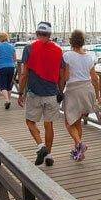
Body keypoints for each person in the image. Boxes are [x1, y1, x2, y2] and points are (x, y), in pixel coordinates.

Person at [18, 22, 63, 166]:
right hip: (52, 93)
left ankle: (40, 146)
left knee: (30, 121)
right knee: (48, 124)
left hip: (34, 92)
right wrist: (60, 90)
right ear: (50, 35)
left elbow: (24, 74)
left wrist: (20, 92)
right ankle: (48, 155)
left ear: (37, 34)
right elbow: (62, 74)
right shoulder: (58, 50)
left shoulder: (29, 48)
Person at [59, 29, 101, 161]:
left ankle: (79, 144)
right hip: (87, 89)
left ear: (71, 41)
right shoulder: (89, 57)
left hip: (73, 90)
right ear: (83, 42)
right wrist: (98, 95)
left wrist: (60, 90)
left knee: (69, 122)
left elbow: (65, 77)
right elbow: (95, 78)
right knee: (77, 121)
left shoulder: (67, 56)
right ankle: (79, 152)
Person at [0, 32, 17, 109]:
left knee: (3, 85)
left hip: (1, 67)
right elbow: (15, 59)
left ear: (0, 38)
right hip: (11, 67)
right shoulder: (12, 46)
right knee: (9, 85)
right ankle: (8, 100)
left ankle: (7, 100)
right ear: (7, 38)